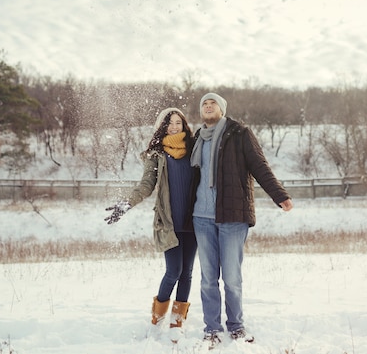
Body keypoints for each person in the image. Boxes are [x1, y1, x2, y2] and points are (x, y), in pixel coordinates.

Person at [185, 93, 293, 347]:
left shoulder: (239, 133)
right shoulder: (197, 139)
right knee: (208, 278)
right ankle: (212, 328)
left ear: (221, 109)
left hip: (232, 216)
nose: (208, 106)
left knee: (232, 277)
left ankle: (236, 326)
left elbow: (259, 165)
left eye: (212, 103)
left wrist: (279, 195)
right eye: (204, 103)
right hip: (201, 216)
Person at [104, 108, 197, 337]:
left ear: (184, 125)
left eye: (178, 122)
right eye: (170, 123)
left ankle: (177, 324)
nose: (174, 126)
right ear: (162, 127)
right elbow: (146, 185)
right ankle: (157, 319)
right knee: (173, 271)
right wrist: (126, 204)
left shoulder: (195, 151)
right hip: (169, 222)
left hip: (194, 222)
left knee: (187, 273)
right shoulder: (157, 155)